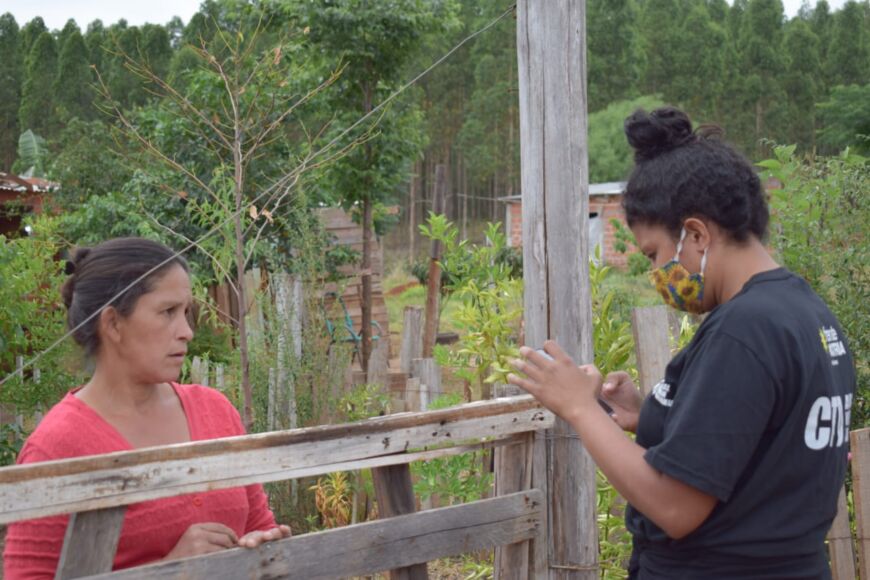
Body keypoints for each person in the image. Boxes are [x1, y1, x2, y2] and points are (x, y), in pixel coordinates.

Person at [508, 107, 856, 579]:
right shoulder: (809, 315)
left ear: (695, 233)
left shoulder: (743, 329)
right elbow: (758, 444)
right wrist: (649, 415)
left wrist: (580, 409)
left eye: (654, 254)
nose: (657, 274)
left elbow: (676, 508)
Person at [3, 238, 291, 579]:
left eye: (185, 312)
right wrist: (166, 571)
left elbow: (258, 525)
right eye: (167, 312)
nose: (186, 332)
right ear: (112, 324)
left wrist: (264, 547)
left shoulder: (215, 411)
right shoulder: (57, 446)